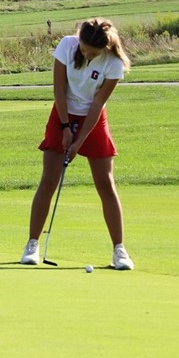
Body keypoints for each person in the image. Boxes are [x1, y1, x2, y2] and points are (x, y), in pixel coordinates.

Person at [20, 18, 135, 270]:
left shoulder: (114, 64)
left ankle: (119, 251)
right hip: (62, 112)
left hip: (93, 120)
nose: (85, 54)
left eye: (92, 53)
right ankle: (32, 244)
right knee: (49, 180)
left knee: (106, 184)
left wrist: (79, 139)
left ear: (104, 49)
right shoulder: (67, 45)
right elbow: (59, 88)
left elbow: (97, 104)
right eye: (83, 49)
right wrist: (64, 127)